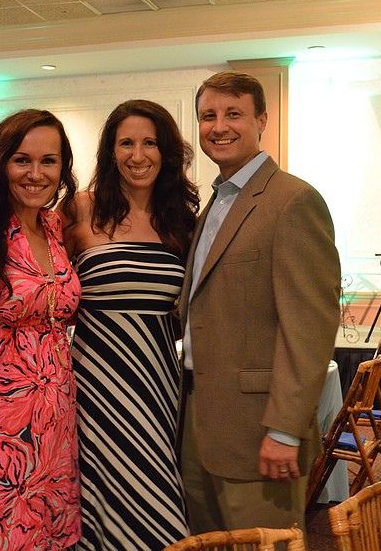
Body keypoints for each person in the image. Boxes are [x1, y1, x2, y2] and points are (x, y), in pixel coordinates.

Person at [178, 71, 340, 535]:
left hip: (260, 431)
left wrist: (285, 429)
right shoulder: (215, 204)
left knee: (264, 545)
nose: (219, 126)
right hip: (198, 422)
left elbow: (308, 328)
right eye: (208, 115)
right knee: (208, 543)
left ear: (262, 120)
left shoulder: (293, 201)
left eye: (234, 114)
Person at [62, 99, 199, 550]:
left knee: (155, 490)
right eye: (126, 143)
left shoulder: (181, 220)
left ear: (167, 153)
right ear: (110, 150)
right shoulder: (80, 210)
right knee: (95, 497)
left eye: (150, 143)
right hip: (94, 382)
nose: (138, 155)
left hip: (157, 381)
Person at [0, 109, 82, 550]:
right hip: (1, 412)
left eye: (48, 161)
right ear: (0, 164)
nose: (36, 174)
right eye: (21, 160)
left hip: (58, 409)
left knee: (50, 530)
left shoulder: (53, 226)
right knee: (5, 530)